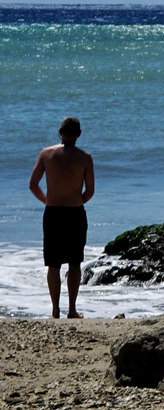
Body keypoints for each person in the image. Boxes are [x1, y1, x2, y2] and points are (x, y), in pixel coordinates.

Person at [30, 117, 95, 320]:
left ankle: (55, 311)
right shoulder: (85, 158)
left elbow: (33, 185)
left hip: (53, 213)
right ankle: (72, 310)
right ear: (78, 135)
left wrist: (48, 201)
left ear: (60, 133)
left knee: (53, 264)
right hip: (75, 213)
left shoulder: (46, 154)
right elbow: (90, 191)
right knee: (74, 263)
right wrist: (76, 201)